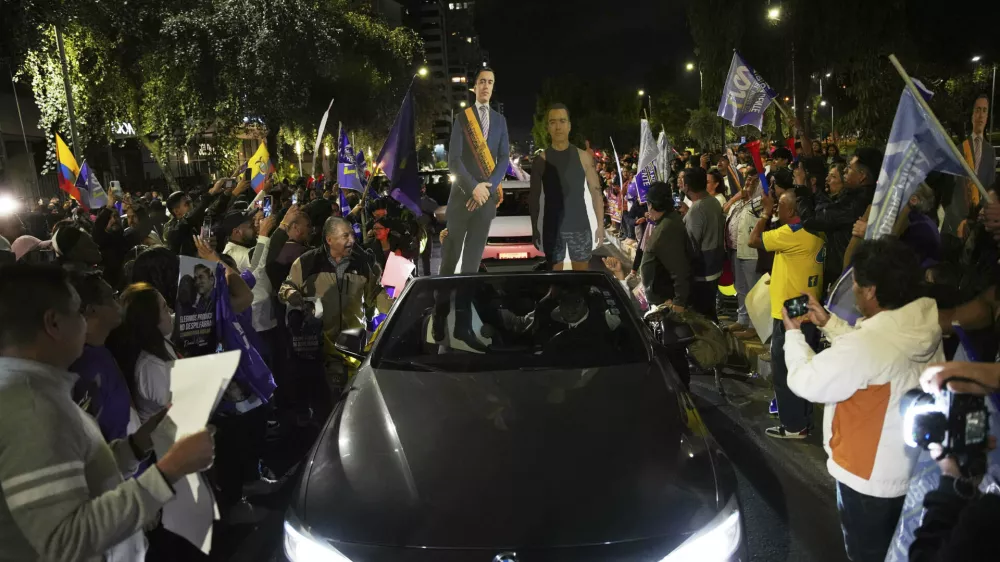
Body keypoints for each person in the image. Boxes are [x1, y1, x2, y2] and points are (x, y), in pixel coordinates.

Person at [0, 264, 214, 562]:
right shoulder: (31, 407)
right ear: (53, 324)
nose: (85, 321)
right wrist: (170, 471)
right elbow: (65, 541)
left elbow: (80, 477)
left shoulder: (38, 392)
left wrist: (136, 446)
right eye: (78, 312)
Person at [782, 239, 943, 562]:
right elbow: (875, 349)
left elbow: (806, 381)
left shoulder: (868, 346)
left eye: (855, 283)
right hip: (911, 468)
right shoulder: (922, 325)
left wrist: (793, 335)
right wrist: (830, 323)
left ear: (870, 291)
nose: (853, 289)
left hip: (867, 480)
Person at [279, 217, 389, 397]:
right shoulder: (307, 262)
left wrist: (395, 307)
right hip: (320, 348)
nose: (351, 240)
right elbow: (286, 286)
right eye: (345, 236)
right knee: (323, 401)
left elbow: (375, 295)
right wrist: (291, 294)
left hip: (354, 347)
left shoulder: (361, 264)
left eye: (352, 235)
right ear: (329, 239)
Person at [749, 191, 826, 438]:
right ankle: (803, 419)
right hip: (808, 306)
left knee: (784, 370)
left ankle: (793, 426)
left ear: (792, 211)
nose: (776, 209)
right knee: (803, 367)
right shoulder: (818, 233)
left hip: (791, 312)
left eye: (780, 206)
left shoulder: (789, 234)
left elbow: (753, 239)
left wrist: (765, 213)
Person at [440, 66, 510, 275]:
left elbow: (504, 157)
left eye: (490, 82)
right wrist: (473, 188)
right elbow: (454, 160)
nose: (486, 86)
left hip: (485, 201)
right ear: (474, 87)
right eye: (482, 81)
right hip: (461, 197)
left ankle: (463, 305)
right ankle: (441, 306)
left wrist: (486, 190)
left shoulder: (500, 121)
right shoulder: (462, 118)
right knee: (449, 261)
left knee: (472, 263)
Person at [528, 103, 605, 271]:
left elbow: (596, 192)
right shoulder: (540, 160)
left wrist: (600, 225)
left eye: (562, 121)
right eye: (553, 122)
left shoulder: (584, 157)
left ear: (569, 126)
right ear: (548, 127)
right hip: (553, 229)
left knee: (581, 281)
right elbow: (534, 198)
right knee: (556, 283)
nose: (558, 127)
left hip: (579, 227)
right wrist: (535, 228)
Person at [68, 271, 139, 443]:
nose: (118, 302)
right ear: (92, 309)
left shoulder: (100, 350)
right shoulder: (86, 367)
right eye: (112, 297)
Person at [942, 93, 996, 241]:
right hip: (955, 224)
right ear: (972, 115)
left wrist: (978, 220)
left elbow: (990, 189)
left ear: (987, 116)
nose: (981, 115)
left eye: (985, 110)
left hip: (977, 226)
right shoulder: (959, 150)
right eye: (978, 109)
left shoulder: (991, 152)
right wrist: (957, 219)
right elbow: (948, 189)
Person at [681, 167, 725, 322]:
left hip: (703, 271)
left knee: (702, 316)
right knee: (709, 310)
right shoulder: (712, 201)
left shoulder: (697, 208)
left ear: (686, 186)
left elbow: (692, 245)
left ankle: (713, 345)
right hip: (714, 264)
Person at [163, 179, 227, 257]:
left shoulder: (196, 221)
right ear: (176, 211)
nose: (192, 206)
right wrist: (210, 193)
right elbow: (186, 221)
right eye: (187, 204)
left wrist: (227, 194)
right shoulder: (171, 229)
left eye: (191, 202)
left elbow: (213, 210)